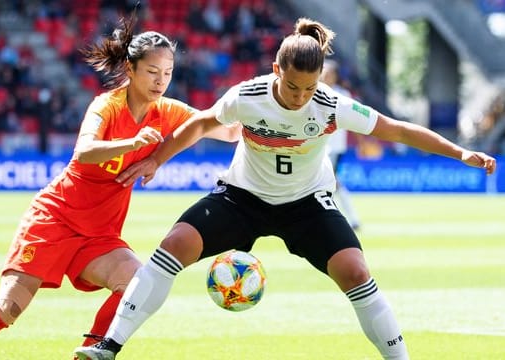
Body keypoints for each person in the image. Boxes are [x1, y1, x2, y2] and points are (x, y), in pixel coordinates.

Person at [75, 17, 497, 360]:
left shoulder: (330, 104)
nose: (300, 97)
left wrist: (460, 153)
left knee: (357, 272)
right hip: (242, 198)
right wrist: (156, 158)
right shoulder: (248, 96)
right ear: (277, 71)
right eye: (293, 86)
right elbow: (202, 123)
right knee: (173, 245)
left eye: (310, 88)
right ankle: (108, 347)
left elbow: (396, 130)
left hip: (307, 205)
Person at [0, 13, 238, 360]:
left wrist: (251, 109)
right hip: (56, 218)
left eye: (167, 73)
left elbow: (226, 131)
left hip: (99, 235)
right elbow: (84, 151)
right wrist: (132, 143)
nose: (161, 81)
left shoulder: (168, 110)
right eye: (153, 72)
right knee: (8, 308)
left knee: (138, 284)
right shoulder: (106, 106)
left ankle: (92, 354)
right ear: (131, 69)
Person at [320, 59, 361, 229]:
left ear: (335, 76)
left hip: (334, 147)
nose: (325, 76)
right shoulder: (314, 92)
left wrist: (361, 141)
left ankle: (348, 219)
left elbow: (355, 119)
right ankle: (347, 219)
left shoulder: (342, 94)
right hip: (320, 147)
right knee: (328, 183)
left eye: (329, 73)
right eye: (323, 72)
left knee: (331, 182)